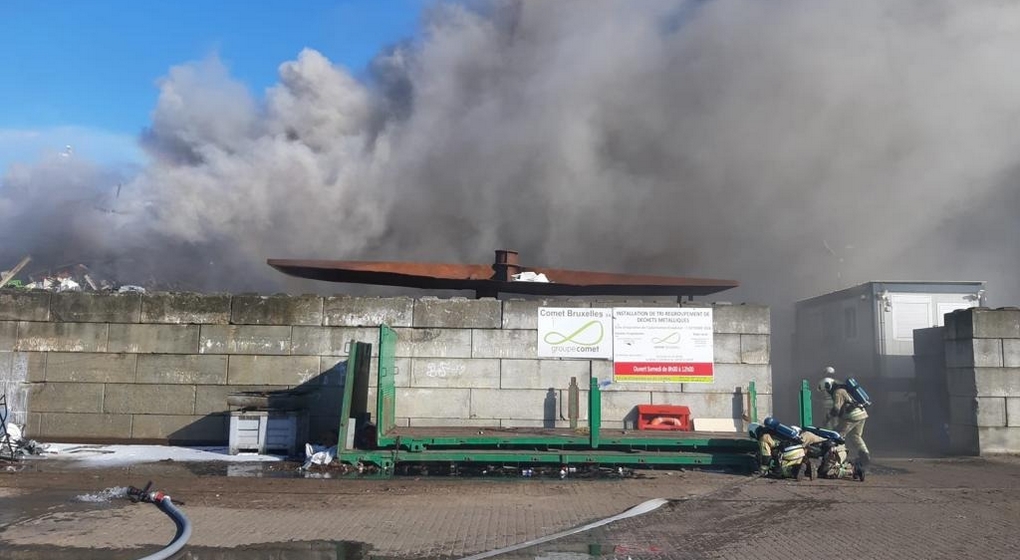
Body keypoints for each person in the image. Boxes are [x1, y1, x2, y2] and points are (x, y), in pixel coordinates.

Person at [819, 367, 871, 465]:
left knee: (836, 435)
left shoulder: (837, 392)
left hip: (852, 417)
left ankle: (836, 460)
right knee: (856, 436)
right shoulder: (843, 386)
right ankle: (865, 456)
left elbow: (836, 409)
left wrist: (827, 418)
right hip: (861, 413)